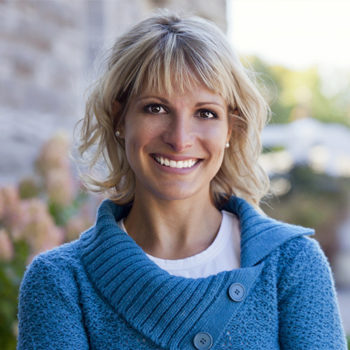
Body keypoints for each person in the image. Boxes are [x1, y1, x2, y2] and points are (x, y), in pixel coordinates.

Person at [17, 11, 346, 350]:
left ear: (230, 129)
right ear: (119, 117)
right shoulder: (61, 281)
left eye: (206, 113)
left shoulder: (291, 263)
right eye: (156, 108)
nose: (180, 138)